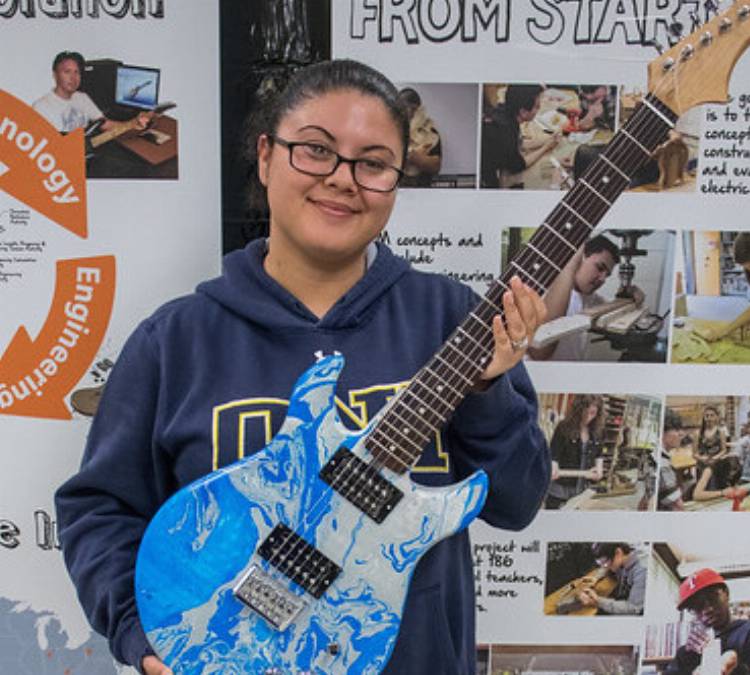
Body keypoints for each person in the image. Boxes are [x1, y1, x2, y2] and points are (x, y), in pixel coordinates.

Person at [54, 59, 551, 675]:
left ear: (397, 181)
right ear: (266, 157)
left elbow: (515, 502)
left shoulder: (453, 319)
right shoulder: (174, 340)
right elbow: (98, 510)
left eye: (372, 163)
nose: (344, 180)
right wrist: (140, 634)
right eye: (315, 150)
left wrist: (487, 390)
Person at [529, 234, 641, 361]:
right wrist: (570, 266)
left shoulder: (594, 300)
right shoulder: (544, 291)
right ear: (581, 257)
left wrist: (632, 298)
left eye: (607, 275)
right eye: (599, 267)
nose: (602, 279)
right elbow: (539, 352)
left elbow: (619, 313)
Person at [33, 50, 148, 134]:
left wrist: (133, 124)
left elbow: (105, 124)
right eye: (67, 72)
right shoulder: (41, 107)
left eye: (76, 72)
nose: (73, 78)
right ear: (55, 75)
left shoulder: (82, 98)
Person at [666, 568, 750, 674]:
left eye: (712, 598)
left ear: (726, 593)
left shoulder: (747, 633)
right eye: (697, 605)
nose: (708, 609)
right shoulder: (687, 653)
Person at [480, 84, 560, 189]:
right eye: (536, 106)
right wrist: (546, 147)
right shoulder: (505, 131)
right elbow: (518, 165)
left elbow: (519, 143)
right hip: (487, 179)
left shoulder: (504, 111)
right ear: (523, 112)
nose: (539, 108)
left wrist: (548, 140)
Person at [545, 394, 605, 509]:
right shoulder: (563, 427)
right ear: (578, 409)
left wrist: (599, 471)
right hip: (559, 492)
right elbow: (553, 456)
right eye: (585, 412)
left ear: (598, 413)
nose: (587, 417)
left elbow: (599, 455)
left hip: (581, 492)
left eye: (592, 413)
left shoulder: (599, 432)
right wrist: (553, 468)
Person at [578, 542, 647, 615]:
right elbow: (605, 568)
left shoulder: (642, 570)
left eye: (605, 562)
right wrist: (596, 577)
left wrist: (598, 601)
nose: (604, 567)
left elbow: (634, 608)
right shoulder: (622, 559)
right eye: (600, 564)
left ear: (618, 552)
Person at [397, 87, 441, 187]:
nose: (409, 112)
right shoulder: (388, 132)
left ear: (419, 109)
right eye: (404, 107)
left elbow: (436, 166)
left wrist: (416, 158)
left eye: (413, 108)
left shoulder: (431, 133)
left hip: (422, 189)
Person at [658, 408, 687, 511]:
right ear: (662, 432)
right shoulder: (662, 464)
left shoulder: (659, 457)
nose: (680, 434)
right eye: (675, 429)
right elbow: (678, 506)